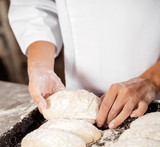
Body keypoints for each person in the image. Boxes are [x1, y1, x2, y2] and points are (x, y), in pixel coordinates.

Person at [8, 0, 160, 129]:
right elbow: (34, 4)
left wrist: (152, 80)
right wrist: (41, 67)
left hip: (152, 100)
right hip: (77, 101)